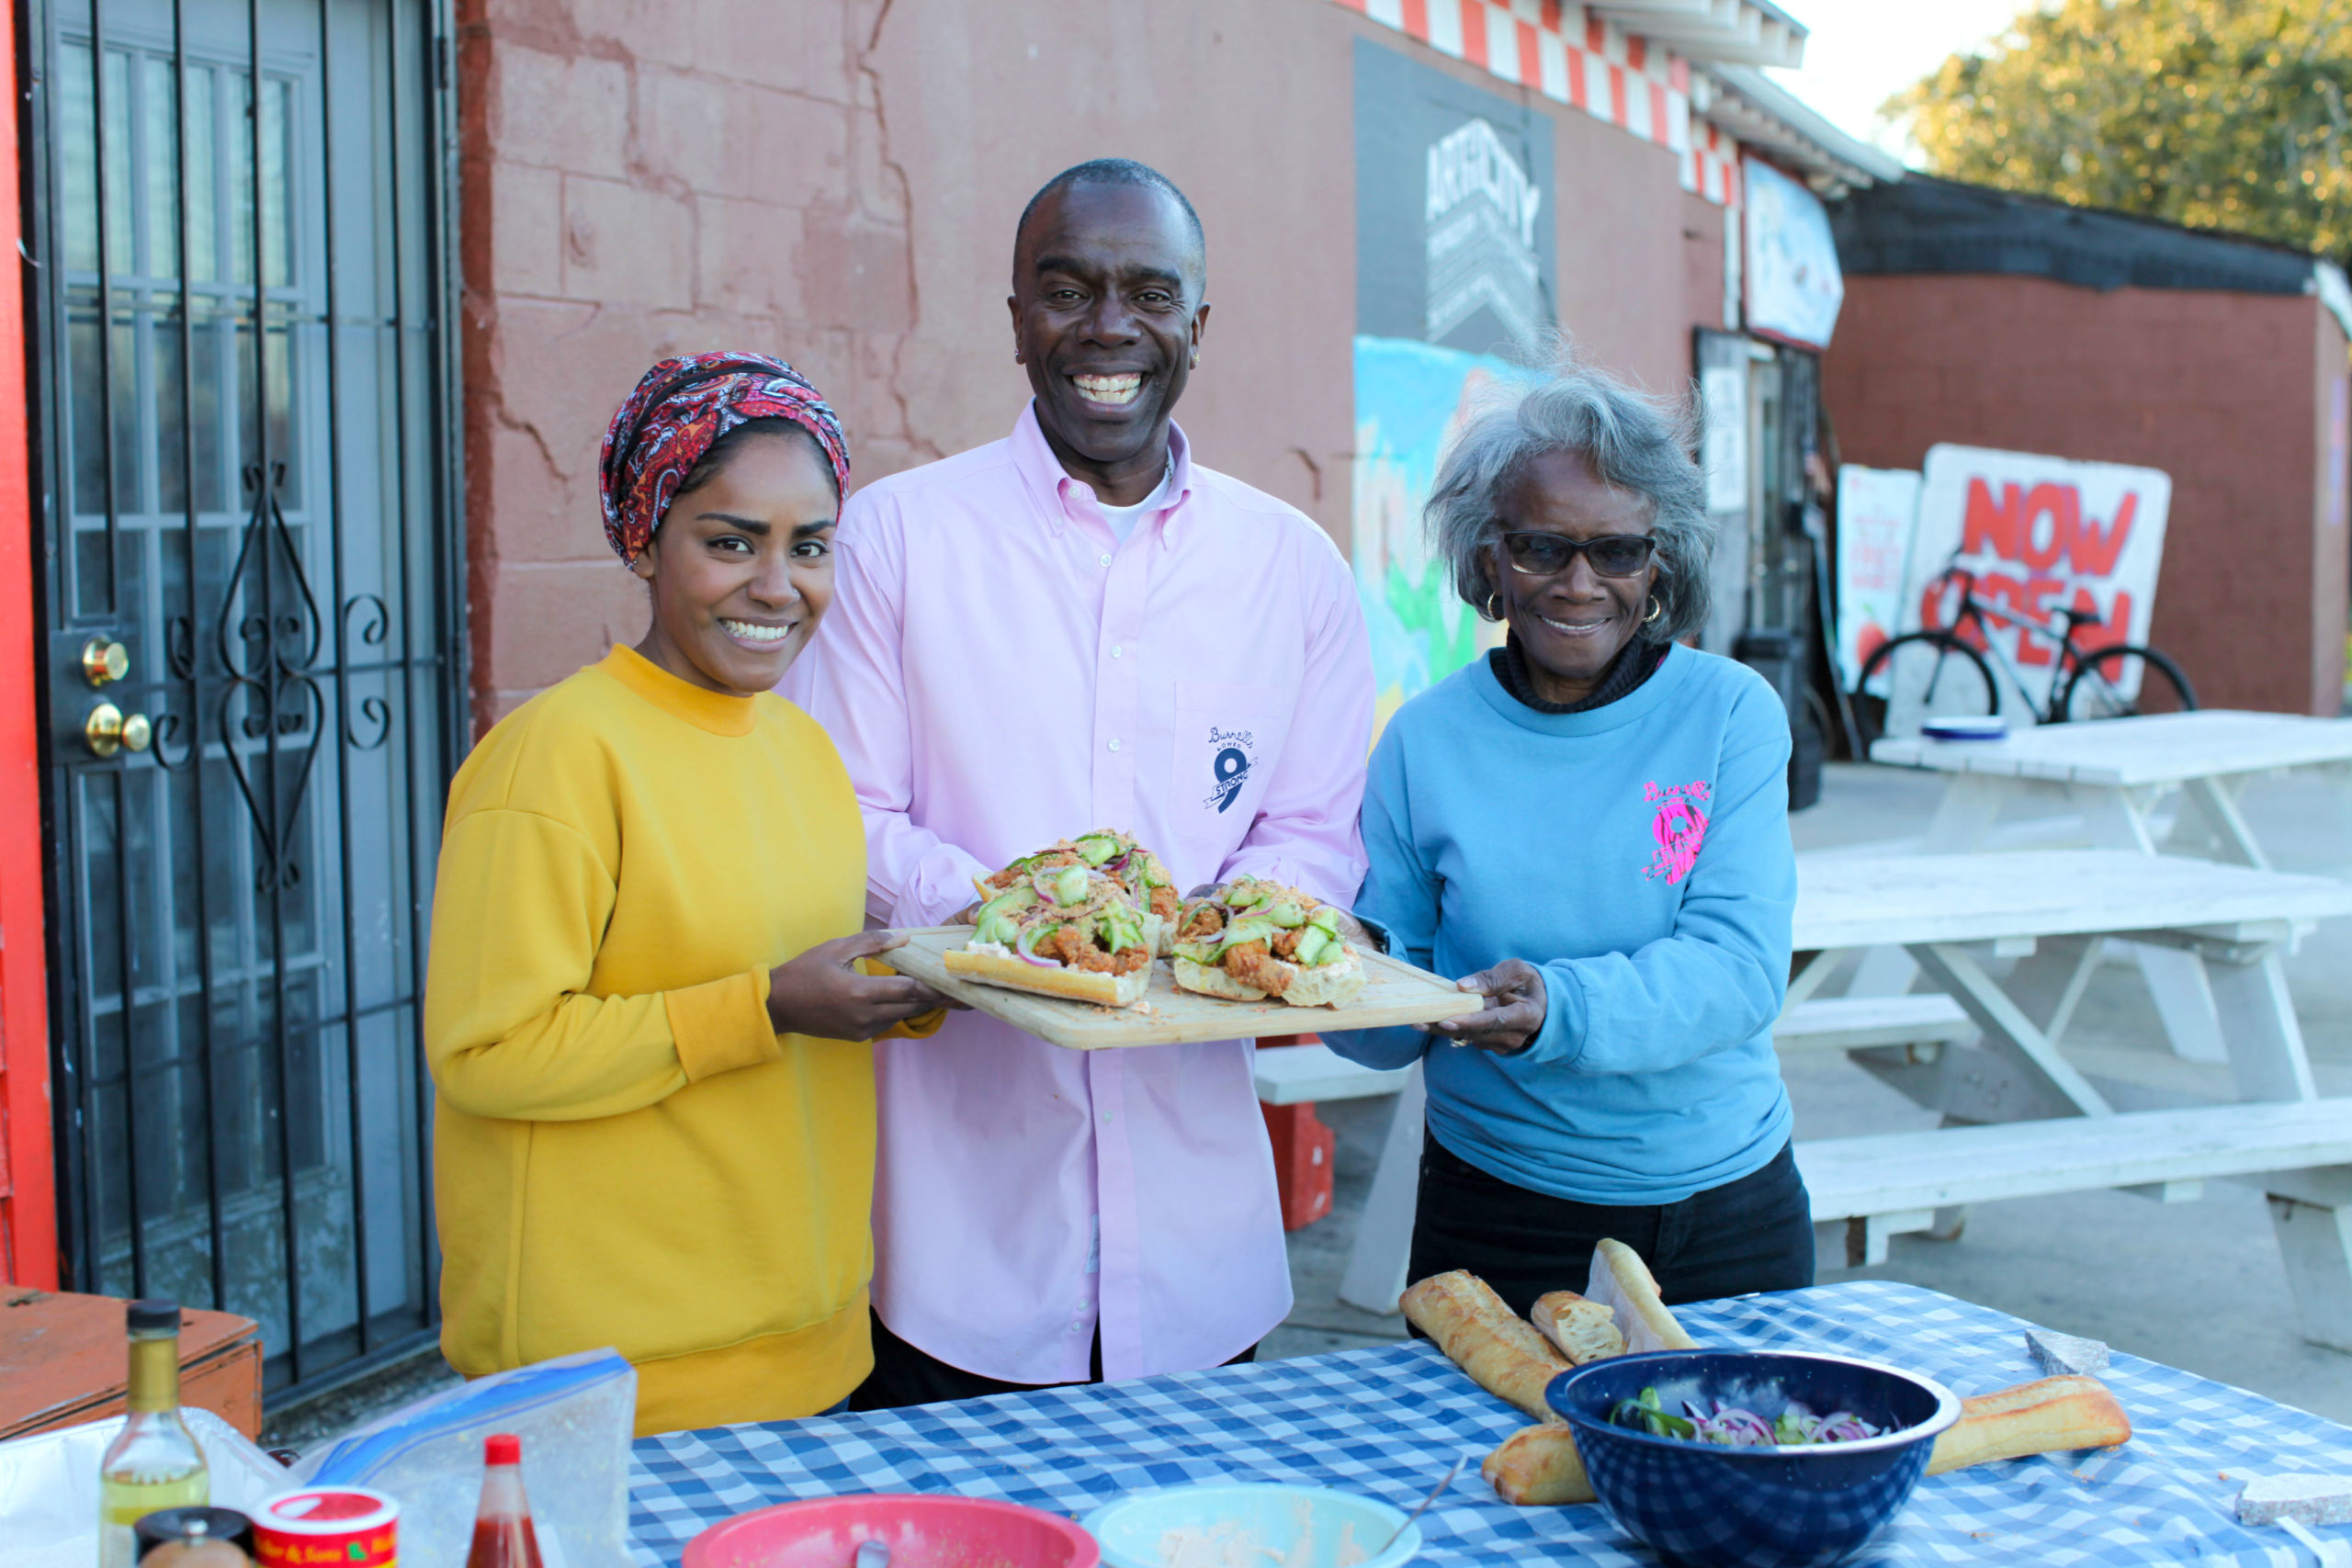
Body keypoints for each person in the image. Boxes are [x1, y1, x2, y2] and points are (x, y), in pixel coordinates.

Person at [787, 159, 1374, 1405]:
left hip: (1204, 1248)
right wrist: (1032, 919)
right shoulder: (895, 537)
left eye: (1148, 292)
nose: (1109, 325)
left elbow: (1315, 830)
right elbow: (844, 809)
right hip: (955, 1251)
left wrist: (1209, 932)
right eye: (1067, 289)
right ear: (1015, 319)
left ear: (1198, 323)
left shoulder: (1295, 568)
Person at [424, 353, 952, 1435]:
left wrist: (920, 983)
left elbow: (797, 977)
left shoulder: (804, 752)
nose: (776, 586)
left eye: (809, 547)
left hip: (813, 1353)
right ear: (643, 541)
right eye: (729, 542)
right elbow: (489, 1053)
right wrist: (761, 1007)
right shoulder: (557, 758)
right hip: (608, 1384)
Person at [1322, 358, 1809, 1316]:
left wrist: (1558, 1009)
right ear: (1488, 561)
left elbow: (1740, 971)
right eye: (1542, 548)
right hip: (1492, 1212)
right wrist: (1343, 970)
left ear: (1660, 561)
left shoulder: (1729, 715)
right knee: (1485, 1469)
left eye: (1617, 551)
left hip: (1720, 1210)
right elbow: (1382, 1028)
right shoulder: (1423, 740)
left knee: (1737, 1464)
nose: (1580, 584)